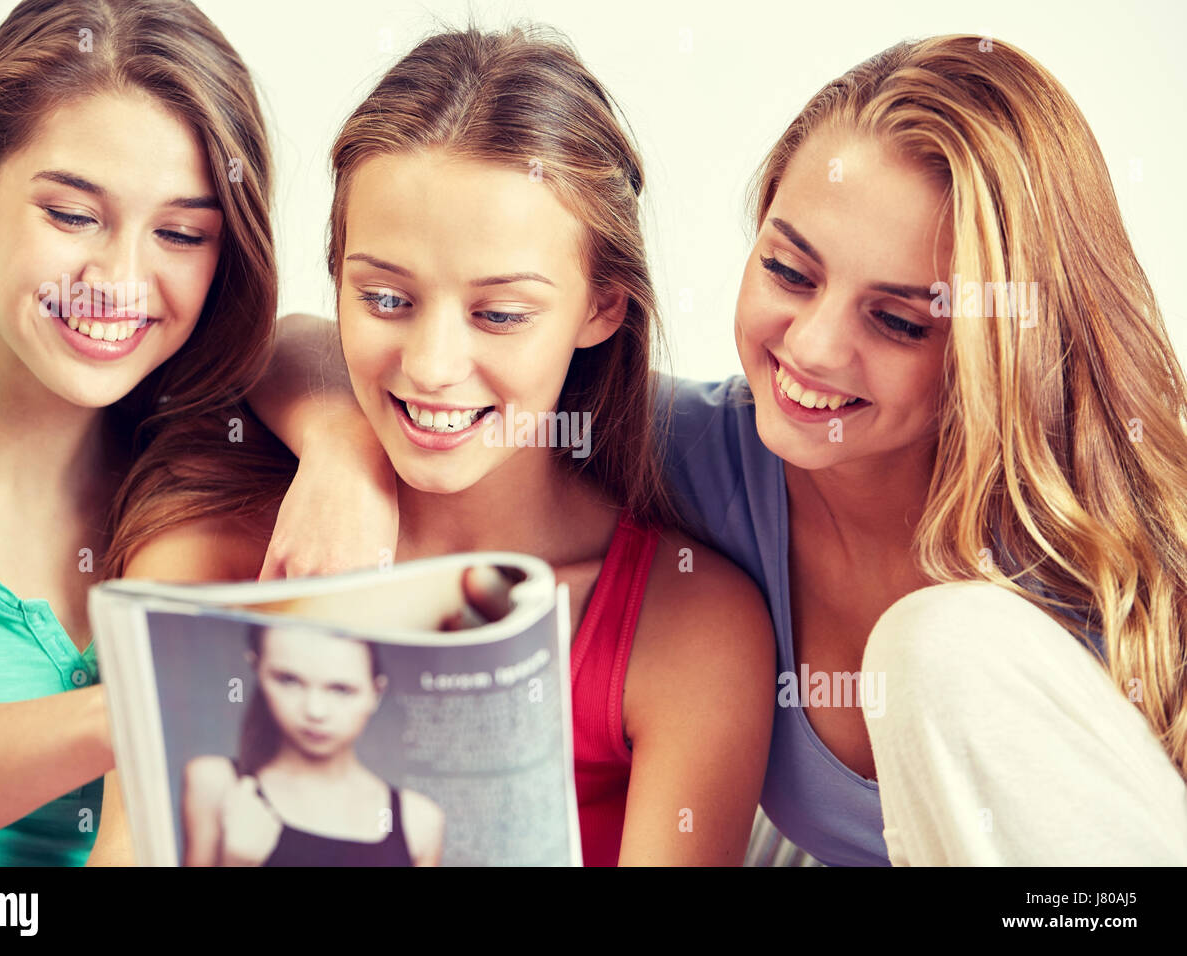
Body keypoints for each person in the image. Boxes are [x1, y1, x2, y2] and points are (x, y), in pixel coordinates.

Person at [256, 35, 1187, 865]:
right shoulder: (688, 455)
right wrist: (343, 456)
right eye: (788, 269)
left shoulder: (1108, 549)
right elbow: (302, 346)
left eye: (899, 319)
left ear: (1003, 342)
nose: (812, 348)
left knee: (938, 644)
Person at [96, 25, 776, 868]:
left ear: (602, 307)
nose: (431, 367)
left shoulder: (690, 629)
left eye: (499, 314)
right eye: (384, 298)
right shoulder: (220, 544)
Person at [0, 0, 277, 865]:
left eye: (180, 233)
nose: (120, 281)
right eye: (71, 216)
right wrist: (136, 704)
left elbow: (305, 348)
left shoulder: (206, 463)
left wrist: (343, 453)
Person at [183, 625, 442, 866]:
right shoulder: (216, 784)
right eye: (288, 680)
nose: (315, 711)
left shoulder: (419, 820)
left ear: (376, 693)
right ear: (257, 669)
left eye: (340, 689)